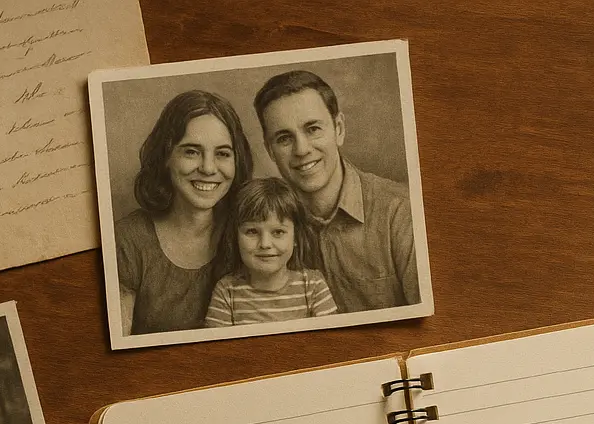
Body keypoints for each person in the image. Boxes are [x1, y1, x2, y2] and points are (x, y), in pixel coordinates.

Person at [253, 70, 418, 313]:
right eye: (284, 138)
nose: (302, 150)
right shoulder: (262, 230)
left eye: (313, 129)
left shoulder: (401, 213)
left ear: (338, 129)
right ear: (270, 150)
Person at [118, 90, 254, 335]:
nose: (208, 168)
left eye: (223, 154)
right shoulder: (129, 239)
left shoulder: (252, 233)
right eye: (191, 151)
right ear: (165, 157)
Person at [204, 177, 337, 326]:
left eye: (278, 232)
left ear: (296, 237)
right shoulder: (227, 292)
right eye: (252, 231)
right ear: (236, 237)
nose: (265, 244)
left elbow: (330, 339)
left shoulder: (313, 286)